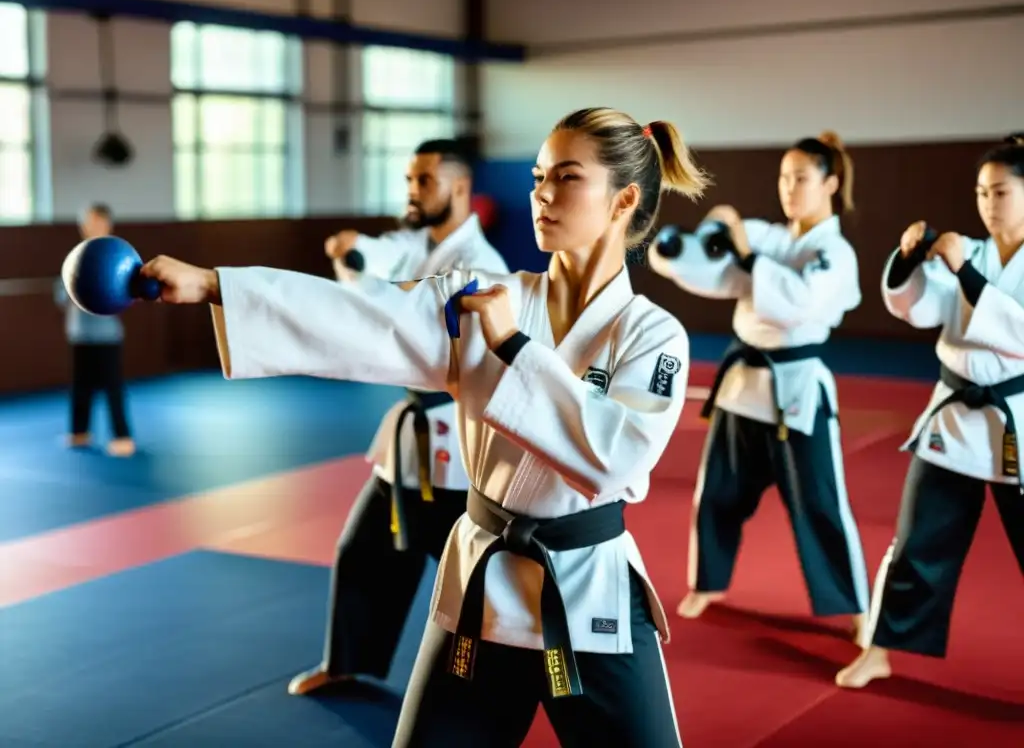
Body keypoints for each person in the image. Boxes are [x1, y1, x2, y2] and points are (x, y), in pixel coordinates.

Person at [138, 107, 709, 747]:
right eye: (538, 175)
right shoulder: (480, 293)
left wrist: (516, 346)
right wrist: (216, 286)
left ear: (623, 198)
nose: (542, 194)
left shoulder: (653, 335)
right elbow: (365, 316)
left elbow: (616, 457)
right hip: (482, 589)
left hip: (587, 593)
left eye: (567, 178)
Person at [288, 138, 509, 697]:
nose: (412, 191)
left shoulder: (479, 265)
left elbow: (420, 324)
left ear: (460, 188)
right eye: (410, 180)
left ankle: (496, 684)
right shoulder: (417, 243)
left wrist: (367, 277)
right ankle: (346, 661)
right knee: (363, 550)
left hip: (457, 447)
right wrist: (354, 250)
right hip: (409, 440)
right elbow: (383, 255)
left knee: (473, 575)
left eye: (425, 181)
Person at [647, 132, 870, 640]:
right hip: (743, 387)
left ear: (830, 183)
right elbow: (713, 269)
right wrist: (685, 242)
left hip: (796, 390)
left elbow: (795, 303)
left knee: (819, 504)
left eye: (801, 178)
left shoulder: (836, 253)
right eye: (783, 177)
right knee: (718, 492)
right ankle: (708, 582)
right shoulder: (771, 237)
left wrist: (747, 258)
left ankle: (857, 607)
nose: (789, 188)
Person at [836, 134, 1024, 689]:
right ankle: (880, 647)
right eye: (981, 192)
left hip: (1015, 416)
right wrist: (910, 262)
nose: (989, 203)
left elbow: (1017, 333)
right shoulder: (972, 249)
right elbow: (919, 307)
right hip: (954, 417)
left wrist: (965, 272)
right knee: (915, 540)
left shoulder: (972, 259)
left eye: (1002, 191)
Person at [53, 203, 136, 458]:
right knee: (81, 385)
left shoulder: (116, 256)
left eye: (96, 221)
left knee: (112, 385)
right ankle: (80, 432)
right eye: (87, 221)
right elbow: (60, 294)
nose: (90, 226)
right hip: (80, 333)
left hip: (106, 335)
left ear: (107, 224)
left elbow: (127, 292)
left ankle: (122, 436)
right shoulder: (75, 256)